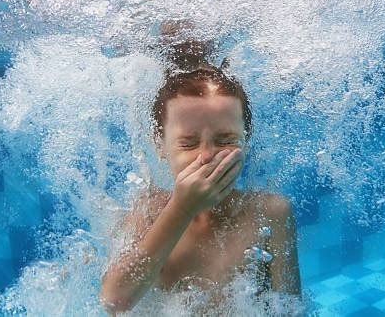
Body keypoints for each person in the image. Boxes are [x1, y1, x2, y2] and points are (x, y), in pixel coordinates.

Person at [100, 20, 302, 314]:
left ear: (247, 139)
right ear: (160, 145)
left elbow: (290, 309)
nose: (206, 156)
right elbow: (113, 301)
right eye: (187, 143)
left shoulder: (270, 213)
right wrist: (182, 208)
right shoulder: (148, 211)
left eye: (225, 139)